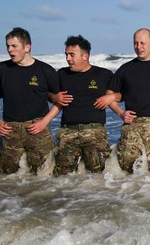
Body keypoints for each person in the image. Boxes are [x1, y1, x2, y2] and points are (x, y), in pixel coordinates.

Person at [0, 27, 60, 174]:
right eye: (7, 46)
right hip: (10, 129)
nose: (10, 50)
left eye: (14, 46)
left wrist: (44, 121)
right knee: (6, 175)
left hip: (38, 128)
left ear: (27, 47)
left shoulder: (46, 70)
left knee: (45, 174)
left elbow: (60, 101)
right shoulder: (2, 68)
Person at [96, 28, 150, 172]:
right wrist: (120, 113)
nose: (138, 47)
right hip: (132, 123)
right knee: (128, 166)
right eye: (135, 43)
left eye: (143, 43)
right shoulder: (126, 69)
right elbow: (109, 95)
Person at [48, 35, 115, 175]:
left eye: (72, 55)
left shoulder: (103, 75)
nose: (68, 59)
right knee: (61, 175)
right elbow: (48, 95)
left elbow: (121, 94)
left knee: (98, 173)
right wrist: (54, 97)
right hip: (68, 132)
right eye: (66, 54)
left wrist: (112, 97)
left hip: (94, 131)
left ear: (85, 56)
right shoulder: (61, 74)